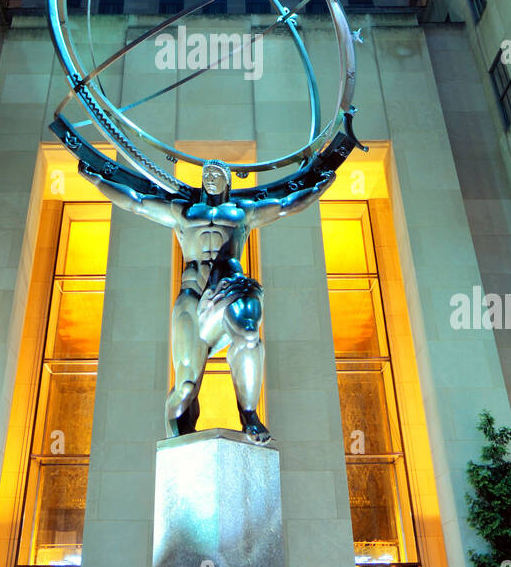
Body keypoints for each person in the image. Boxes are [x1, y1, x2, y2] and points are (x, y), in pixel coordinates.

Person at [78, 156, 334, 441]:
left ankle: (248, 415)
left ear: (228, 180)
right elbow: (136, 202)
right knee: (186, 387)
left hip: (224, 290)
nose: (210, 178)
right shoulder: (184, 211)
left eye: (217, 173)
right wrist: (97, 179)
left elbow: (286, 205)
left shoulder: (242, 213)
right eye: (207, 174)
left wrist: (320, 186)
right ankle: (177, 434)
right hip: (192, 297)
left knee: (248, 329)